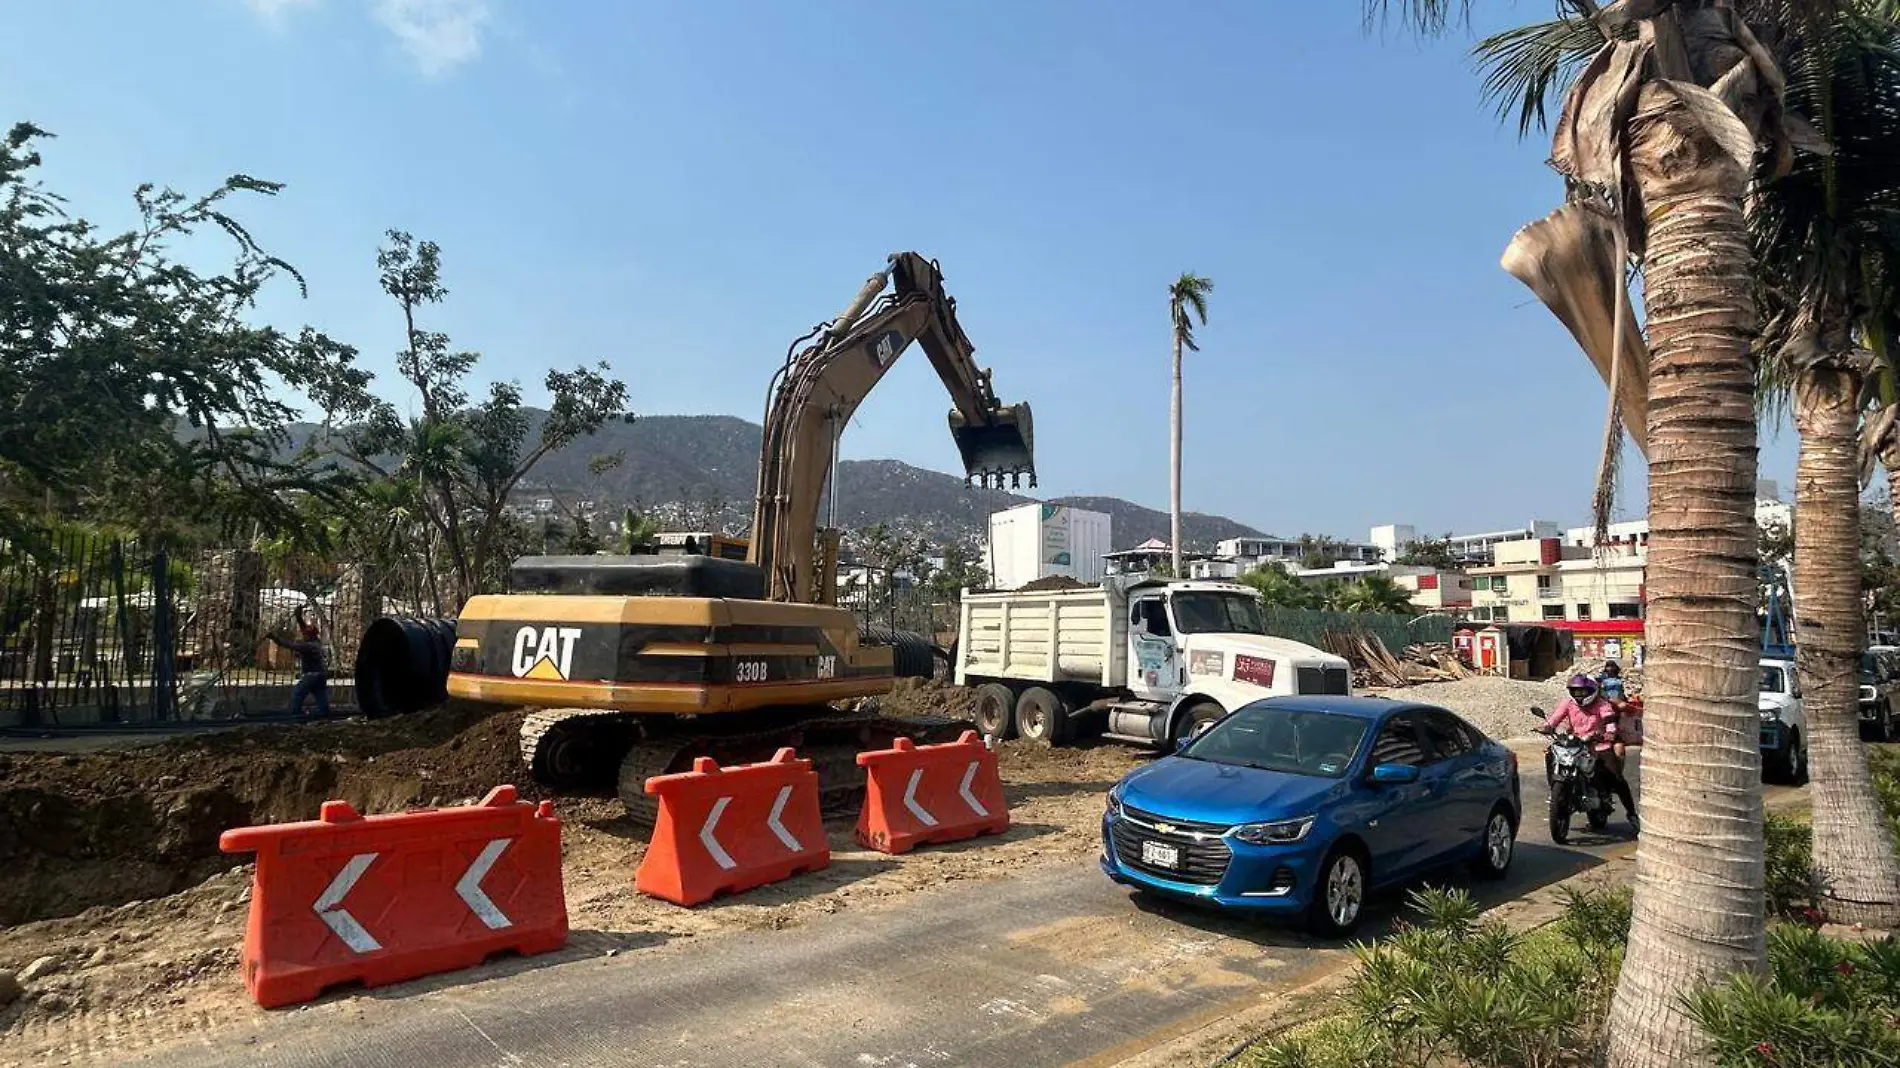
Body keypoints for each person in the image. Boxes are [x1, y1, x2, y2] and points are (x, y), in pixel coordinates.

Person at [1542, 673, 1638, 833]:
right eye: (1575, 691)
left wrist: (1609, 733)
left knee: (1616, 778)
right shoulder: (1568, 704)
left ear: (1592, 691)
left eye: (1583, 692)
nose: (1579, 695)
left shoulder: (1602, 705)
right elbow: (1554, 719)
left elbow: (1609, 722)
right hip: (1575, 745)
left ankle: (1632, 814)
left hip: (1599, 746)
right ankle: (1557, 791)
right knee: (1550, 753)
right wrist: (1546, 727)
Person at [268, 606, 330, 719]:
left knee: (297, 694)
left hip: (310, 675)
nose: (302, 635)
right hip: (321, 674)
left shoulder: (307, 646)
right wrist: (298, 617)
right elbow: (305, 630)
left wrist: (274, 638)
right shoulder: (316, 642)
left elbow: (289, 645)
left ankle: (295, 715)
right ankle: (324, 714)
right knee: (321, 696)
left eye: (304, 634)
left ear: (308, 636)